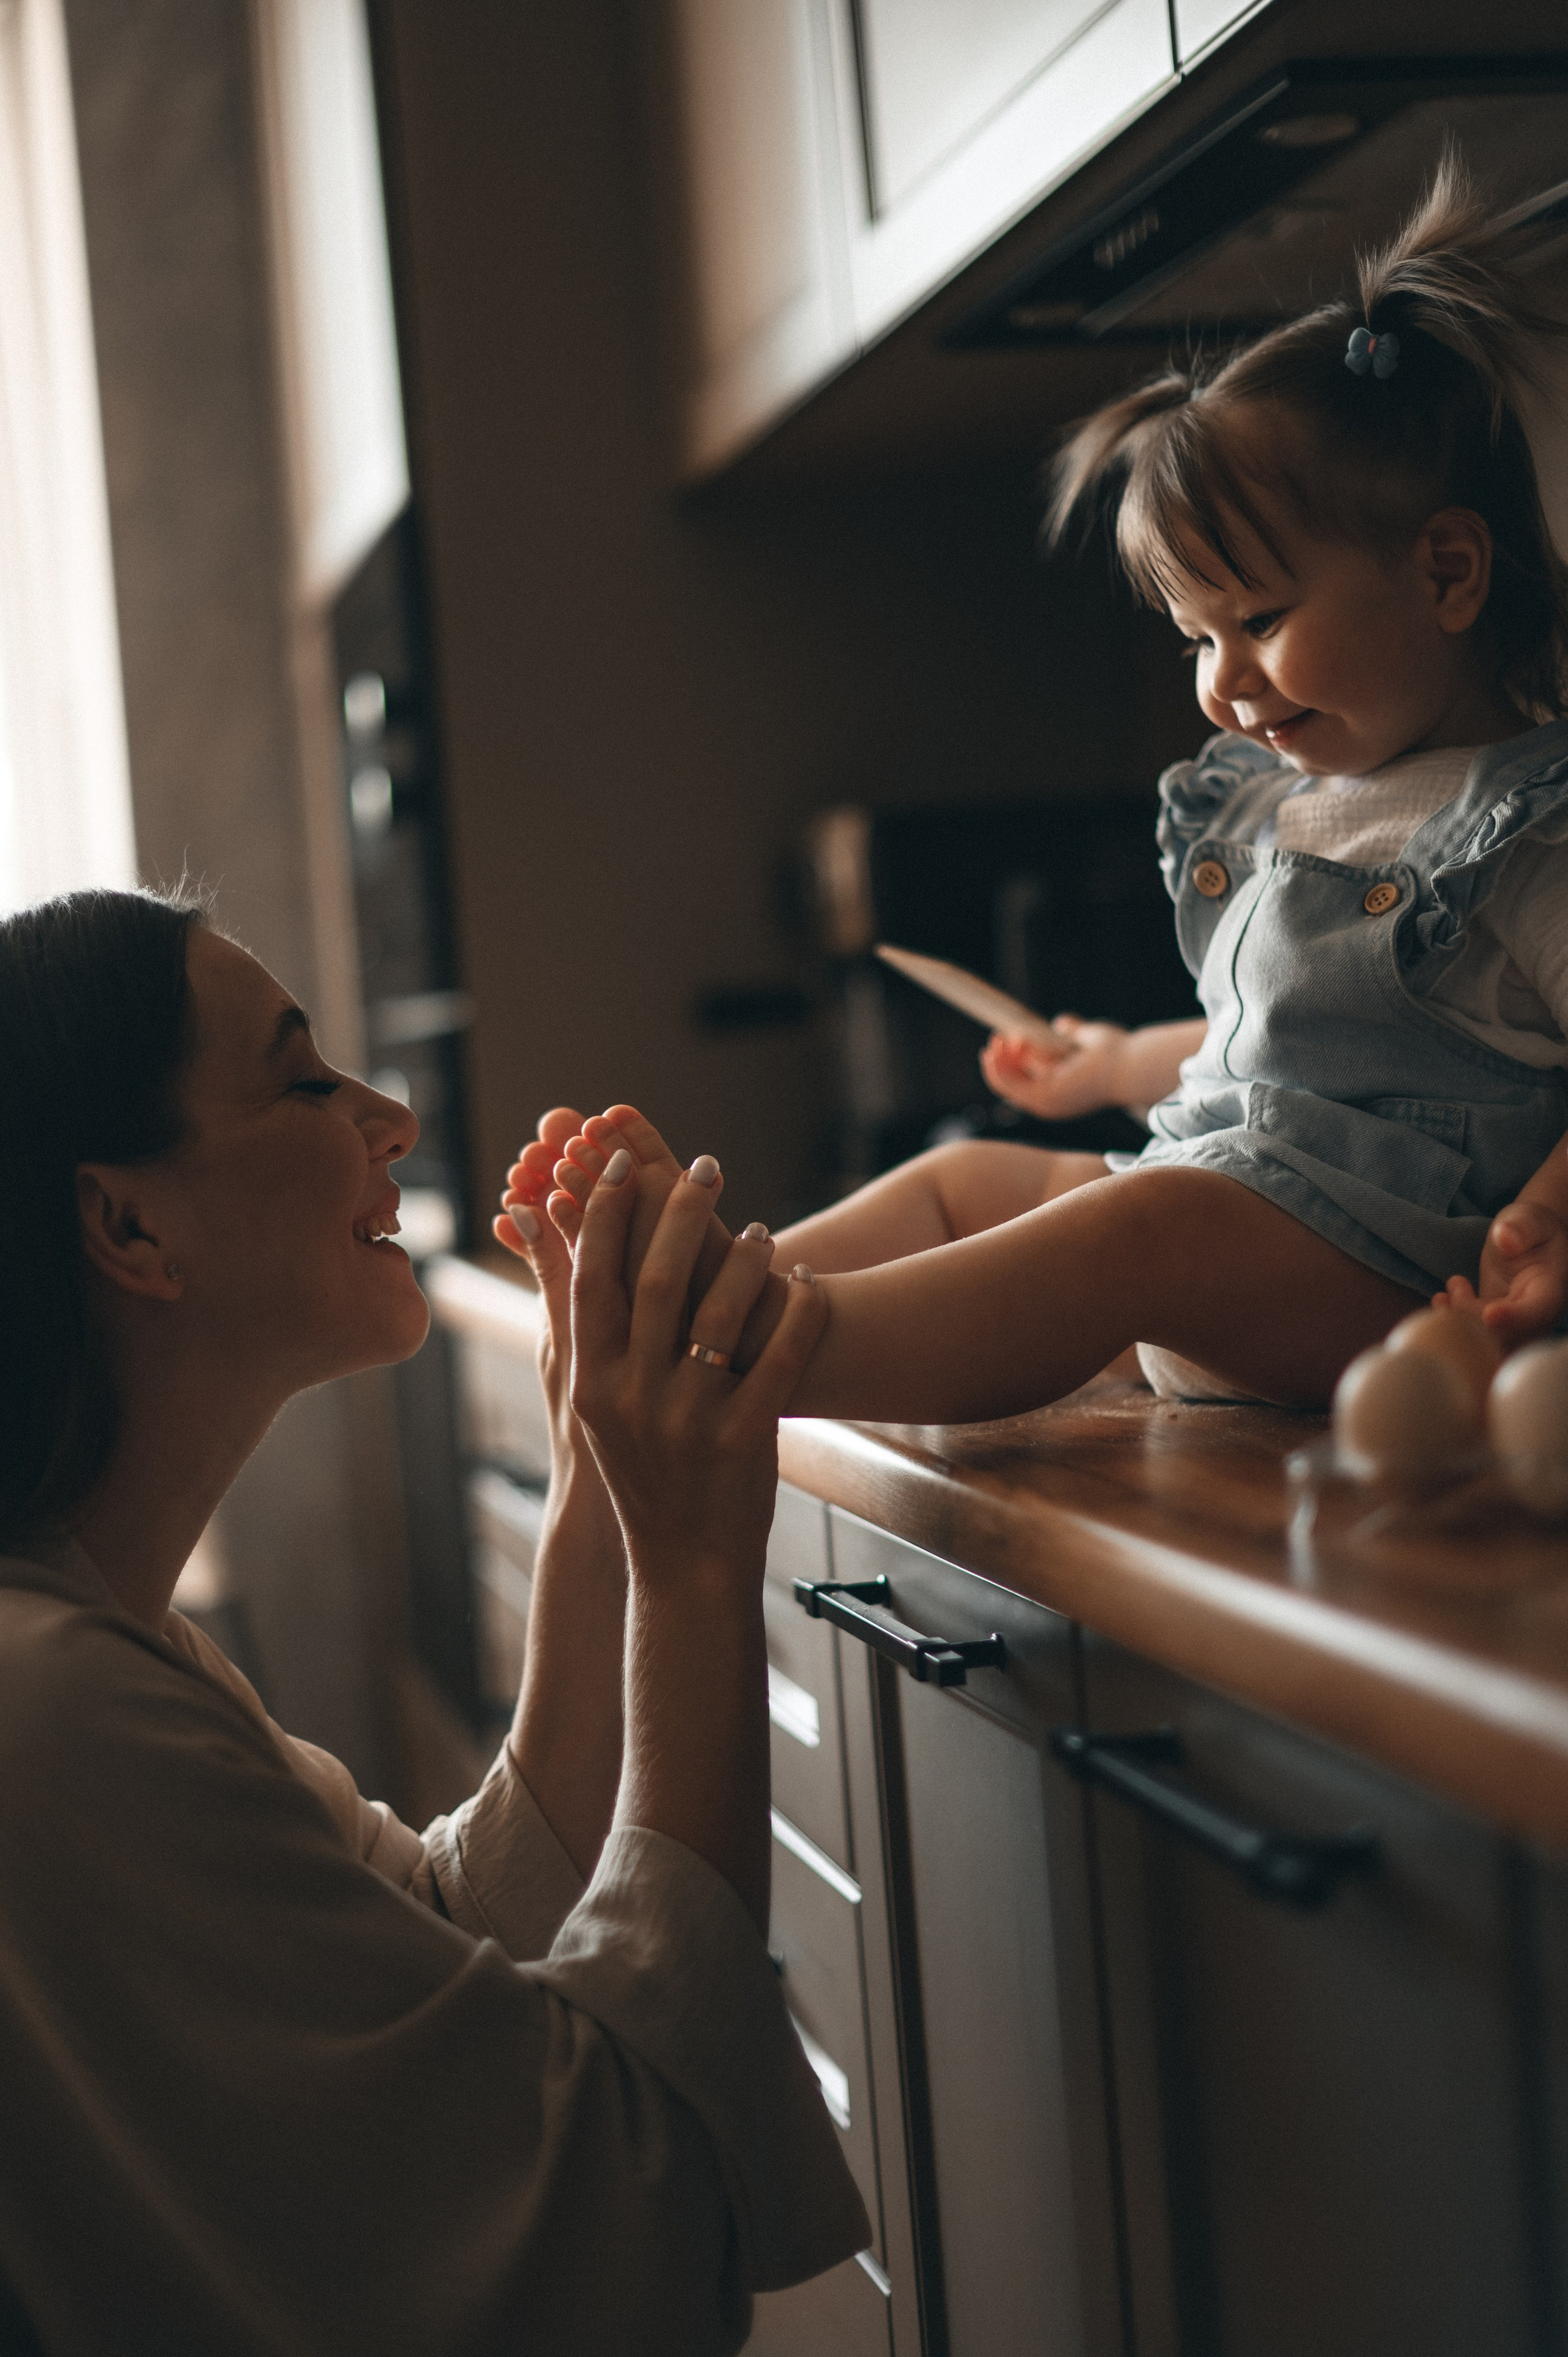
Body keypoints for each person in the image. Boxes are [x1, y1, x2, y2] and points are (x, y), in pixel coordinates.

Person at [500, 159, 1568, 1419]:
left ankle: (773, 1343)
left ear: (1446, 573)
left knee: (1137, 1229)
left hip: (1388, 1284)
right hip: (1229, 1212)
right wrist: (1117, 1063)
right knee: (973, 1180)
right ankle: (730, 1281)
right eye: (1192, 640)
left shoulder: (1525, 834)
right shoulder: (1308, 804)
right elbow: (1288, 1040)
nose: (1221, 685)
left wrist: (1545, 1224)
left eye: (1257, 619)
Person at [0, 889, 865, 2355]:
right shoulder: (50, 1713)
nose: (389, 1115)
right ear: (127, 1223)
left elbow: (457, 1923)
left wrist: (598, 1479)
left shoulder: (95, 1644)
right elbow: (622, 2210)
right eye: (301, 1078)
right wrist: (697, 1570)